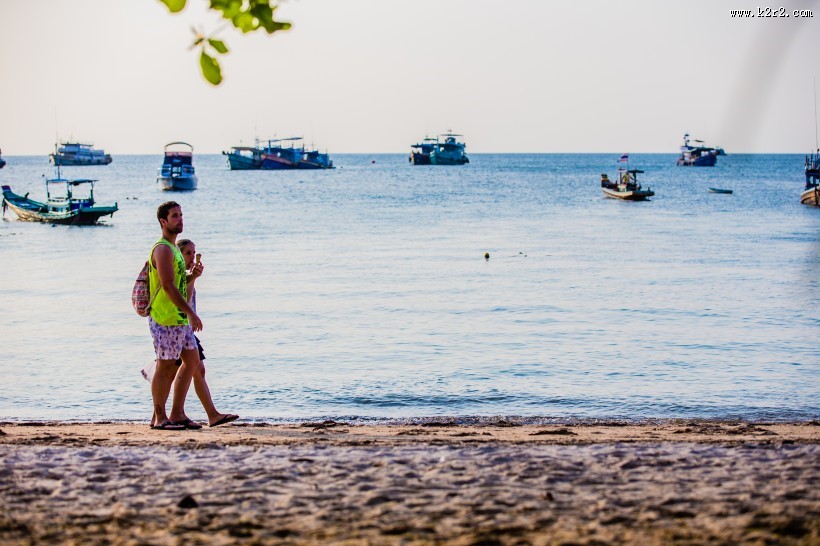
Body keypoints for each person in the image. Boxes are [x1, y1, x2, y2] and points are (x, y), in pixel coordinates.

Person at [147, 201, 202, 430]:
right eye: (174, 216)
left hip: (178, 318)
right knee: (165, 366)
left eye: (181, 215)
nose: (180, 219)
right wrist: (191, 313)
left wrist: (192, 277)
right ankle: (160, 418)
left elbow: (178, 285)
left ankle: (177, 413)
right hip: (165, 318)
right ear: (163, 221)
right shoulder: (162, 249)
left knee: (192, 360)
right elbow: (168, 287)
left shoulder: (174, 251)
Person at [176, 238, 239, 427]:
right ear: (179, 254)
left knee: (198, 370)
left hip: (184, 327)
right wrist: (193, 278)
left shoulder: (185, 274)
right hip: (179, 327)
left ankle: (212, 415)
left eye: (194, 253)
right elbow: (184, 299)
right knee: (175, 370)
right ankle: (171, 414)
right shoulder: (180, 275)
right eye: (188, 253)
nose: (192, 257)